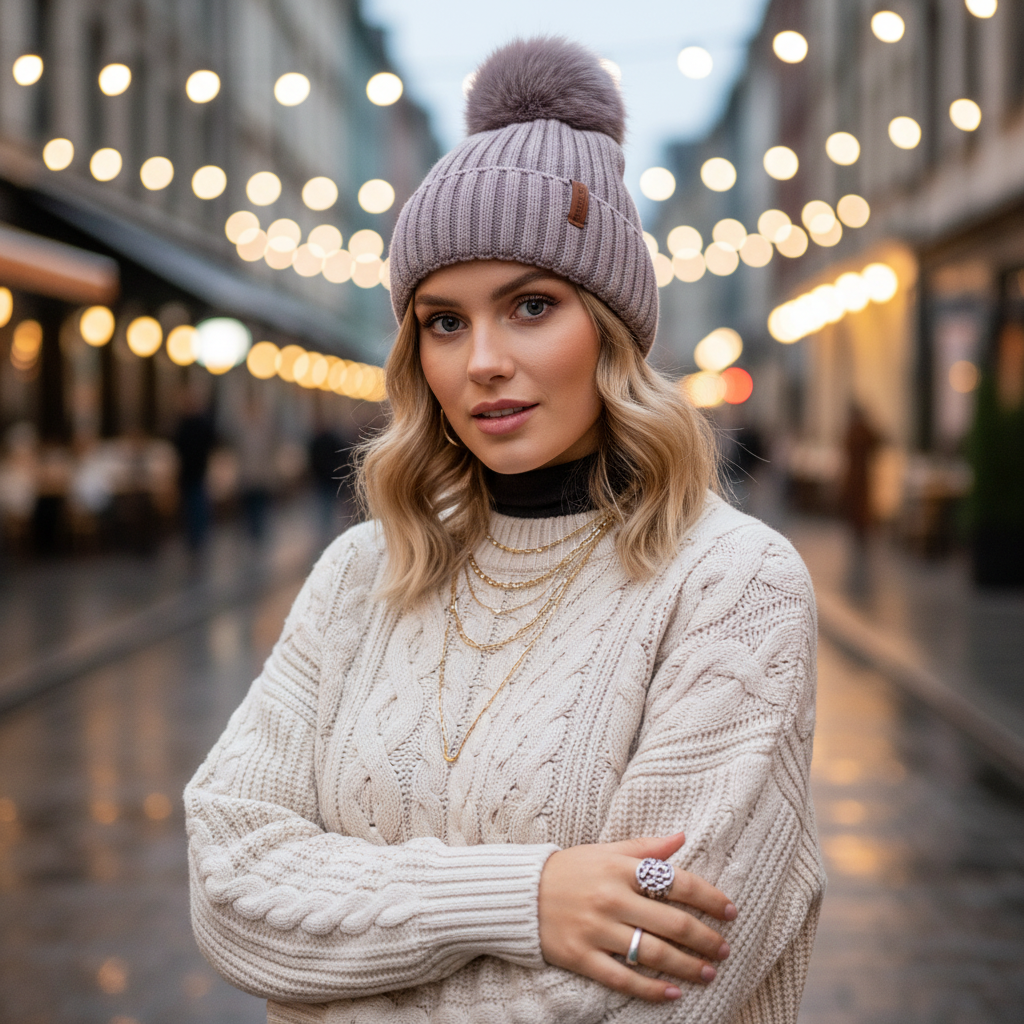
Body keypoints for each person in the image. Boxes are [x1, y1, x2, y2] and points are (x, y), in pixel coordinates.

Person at [185, 38, 824, 1024]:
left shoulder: (731, 583)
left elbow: (659, 973)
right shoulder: (363, 573)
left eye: (531, 306)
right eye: (443, 321)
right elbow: (229, 885)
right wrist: (525, 898)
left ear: (610, 330)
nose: (482, 360)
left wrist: (338, 976)